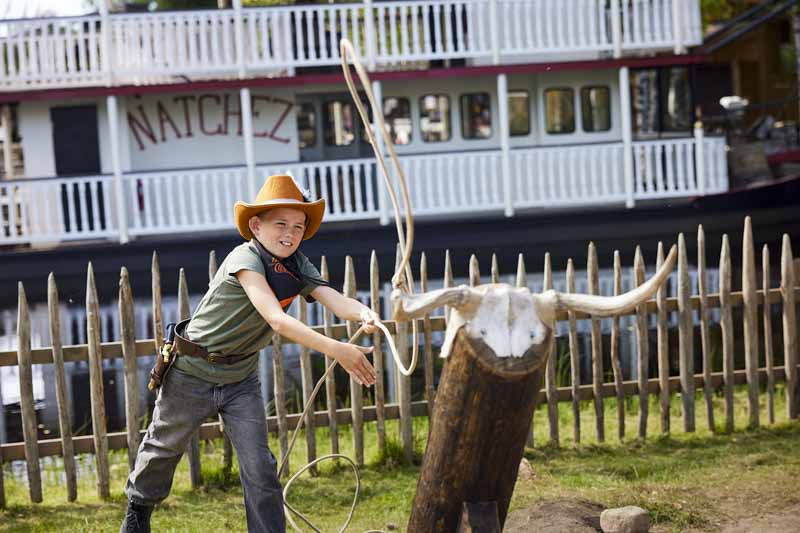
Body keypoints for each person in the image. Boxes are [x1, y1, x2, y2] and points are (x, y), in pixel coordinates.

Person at [120, 174, 379, 533]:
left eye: (298, 226)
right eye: (280, 224)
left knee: (260, 466)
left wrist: (363, 313)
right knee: (163, 449)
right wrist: (338, 350)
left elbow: (332, 297)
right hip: (191, 370)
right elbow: (277, 320)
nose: (290, 233)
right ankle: (137, 512)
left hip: (240, 378)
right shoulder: (245, 258)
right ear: (256, 226)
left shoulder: (297, 263)